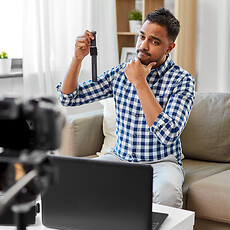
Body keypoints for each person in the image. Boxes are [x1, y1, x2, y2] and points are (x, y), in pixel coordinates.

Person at [56, 8, 195, 208]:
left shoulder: (182, 80)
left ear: (169, 48)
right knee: (73, 178)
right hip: (120, 157)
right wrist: (78, 59)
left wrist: (140, 83)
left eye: (154, 41)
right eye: (142, 37)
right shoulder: (121, 73)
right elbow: (69, 98)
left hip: (161, 162)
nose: (143, 46)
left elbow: (168, 134)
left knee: (168, 195)